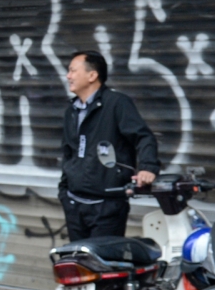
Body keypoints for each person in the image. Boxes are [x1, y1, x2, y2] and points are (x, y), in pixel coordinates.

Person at [59, 51, 160, 241]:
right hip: (74, 204)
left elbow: (144, 137)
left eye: (73, 70)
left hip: (107, 206)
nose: (68, 76)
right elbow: (68, 152)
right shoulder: (71, 110)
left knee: (104, 266)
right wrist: (64, 189)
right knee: (78, 264)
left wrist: (148, 167)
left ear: (92, 75)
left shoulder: (116, 103)